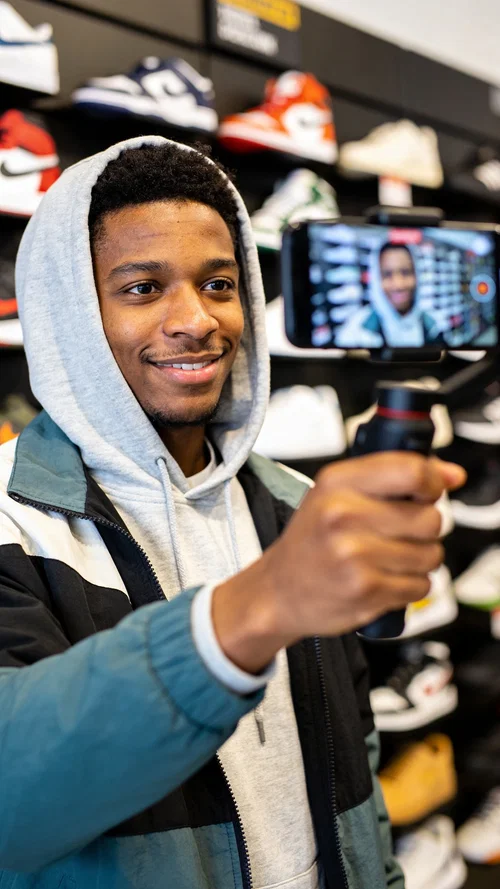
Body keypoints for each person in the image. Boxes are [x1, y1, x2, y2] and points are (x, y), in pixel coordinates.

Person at [0, 137, 465, 889]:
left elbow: (359, 769)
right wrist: (258, 607)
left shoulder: (295, 504)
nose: (197, 320)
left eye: (219, 284)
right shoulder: (10, 520)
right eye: (143, 288)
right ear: (69, 314)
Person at [336, 242, 444, 348]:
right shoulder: (355, 332)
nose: (399, 285)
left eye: (406, 272)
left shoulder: (434, 323)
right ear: (376, 279)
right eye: (387, 275)